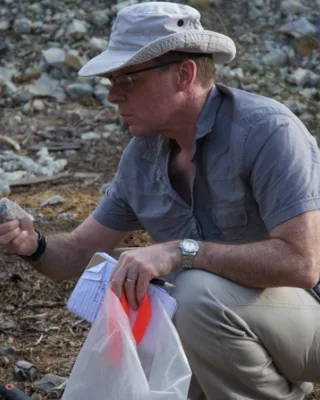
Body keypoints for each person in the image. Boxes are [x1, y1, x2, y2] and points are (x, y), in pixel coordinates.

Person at [1, 2, 320, 399]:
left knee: (191, 292)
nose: (114, 96)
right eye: (110, 82)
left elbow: (303, 264)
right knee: (164, 301)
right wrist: (34, 245)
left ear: (184, 74)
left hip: (310, 321)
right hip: (228, 331)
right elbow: (81, 251)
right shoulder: (143, 155)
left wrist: (179, 251)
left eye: (127, 80)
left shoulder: (267, 132)